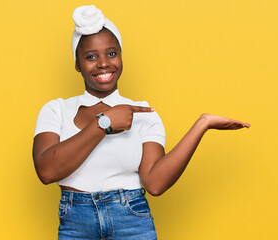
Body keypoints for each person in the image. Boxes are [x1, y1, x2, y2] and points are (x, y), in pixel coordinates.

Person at [32, 5, 250, 240]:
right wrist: (104, 123)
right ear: (77, 64)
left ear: (121, 57)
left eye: (112, 53)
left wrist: (202, 124)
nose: (104, 63)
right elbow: (46, 171)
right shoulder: (56, 110)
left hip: (132, 220)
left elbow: (155, 184)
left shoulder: (144, 113)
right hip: (76, 223)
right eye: (91, 57)